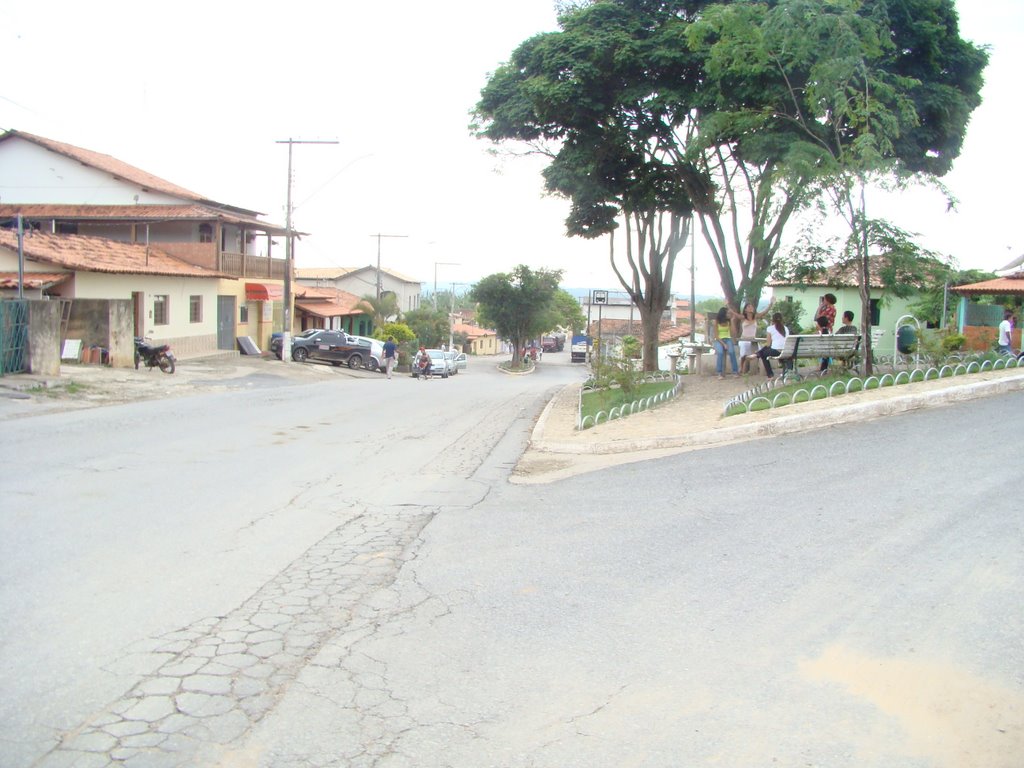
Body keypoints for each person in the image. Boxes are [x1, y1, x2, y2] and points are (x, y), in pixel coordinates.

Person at [728, 299, 774, 374]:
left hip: (753, 340)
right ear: (745, 309)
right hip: (744, 339)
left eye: (752, 307)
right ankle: (742, 368)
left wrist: (770, 304)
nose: (751, 308)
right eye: (749, 307)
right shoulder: (743, 318)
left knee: (759, 352)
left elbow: (764, 312)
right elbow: (735, 314)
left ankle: (757, 368)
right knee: (744, 350)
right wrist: (728, 306)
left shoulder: (756, 317)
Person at [710, 307, 740, 379]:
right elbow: (716, 336)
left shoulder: (729, 322)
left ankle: (735, 372)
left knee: (732, 352)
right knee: (720, 352)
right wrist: (723, 344)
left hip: (728, 338)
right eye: (728, 313)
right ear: (724, 314)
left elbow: (734, 333)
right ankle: (719, 373)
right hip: (719, 340)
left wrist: (732, 321)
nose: (729, 314)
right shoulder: (716, 322)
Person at [757, 312, 789, 378]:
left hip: (776, 351)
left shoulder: (770, 328)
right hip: (786, 351)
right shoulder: (786, 328)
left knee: (763, 354)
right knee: (764, 351)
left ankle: (770, 375)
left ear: (773, 320)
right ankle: (757, 354)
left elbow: (768, 344)